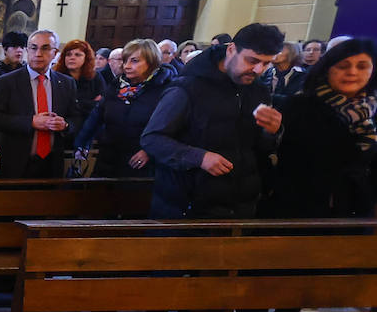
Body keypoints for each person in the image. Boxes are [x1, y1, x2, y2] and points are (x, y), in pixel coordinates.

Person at [141, 23, 285, 218]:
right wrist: (199, 157)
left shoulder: (257, 90)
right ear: (232, 49)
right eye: (252, 60)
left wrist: (272, 131)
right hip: (187, 207)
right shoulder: (188, 87)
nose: (258, 69)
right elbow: (152, 139)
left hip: (239, 206)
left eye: (267, 63)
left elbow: (258, 149)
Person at [268, 38, 376, 218]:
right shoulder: (299, 105)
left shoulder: (371, 112)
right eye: (343, 66)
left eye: (362, 66)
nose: (352, 72)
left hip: (356, 213)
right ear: (328, 69)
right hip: (300, 211)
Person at [0, 30, 78, 178]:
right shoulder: (6, 82)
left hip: (52, 165)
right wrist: (30, 121)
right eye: (33, 48)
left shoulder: (66, 83)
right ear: (27, 50)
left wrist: (65, 125)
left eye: (45, 48)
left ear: (55, 53)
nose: (38, 53)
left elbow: (76, 119)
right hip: (15, 163)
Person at [73, 39, 171, 177]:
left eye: (134, 61)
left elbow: (170, 128)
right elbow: (97, 115)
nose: (126, 66)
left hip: (140, 164)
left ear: (152, 62)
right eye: (125, 61)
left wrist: (149, 151)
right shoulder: (117, 85)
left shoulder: (165, 89)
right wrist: (82, 143)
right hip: (108, 158)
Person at [56, 39, 103, 127]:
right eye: (68, 54)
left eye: (78, 55)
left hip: (88, 124)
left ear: (86, 58)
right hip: (64, 125)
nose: (72, 57)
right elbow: (60, 106)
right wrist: (88, 103)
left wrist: (77, 103)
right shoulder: (57, 77)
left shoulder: (95, 76)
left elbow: (100, 105)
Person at [262, 41, 306, 109]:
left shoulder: (302, 75)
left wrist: (269, 97)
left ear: (292, 53)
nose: (274, 53)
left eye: (279, 50)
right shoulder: (268, 72)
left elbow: (297, 100)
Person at [0, 31, 27, 101]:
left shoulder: (26, 69)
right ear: (5, 49)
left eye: (22, 47)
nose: (19, 50)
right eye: (15, 47)